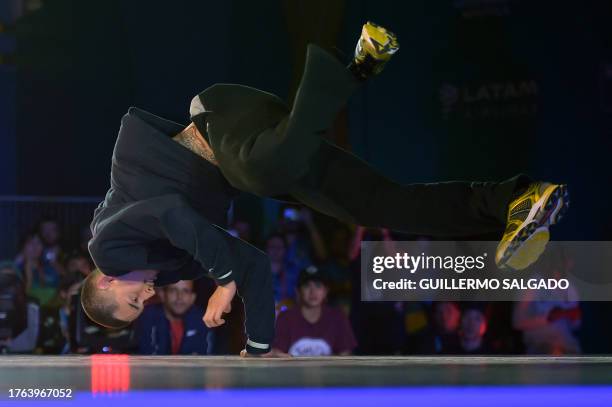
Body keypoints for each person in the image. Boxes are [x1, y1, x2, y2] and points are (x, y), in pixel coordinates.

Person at [82, 21, 567, 356]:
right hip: (265, 145)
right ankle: (514, 200)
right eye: (141, 306)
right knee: (381, 206)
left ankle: (347, 70)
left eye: (131, 300)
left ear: (106, 281)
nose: (147, 297)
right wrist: (257, 346)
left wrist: (222, 282)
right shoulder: (164, 268)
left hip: (217, 120)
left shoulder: (109, 247)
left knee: (260, 174)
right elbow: (252, 261)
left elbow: (171, 211)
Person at [272, 266, 357, 356]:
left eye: (318, 286)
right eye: (307, 286)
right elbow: (278, 353)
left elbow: (345, 355)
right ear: (298, 291)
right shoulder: (286, 317)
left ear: (325, 291)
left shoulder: (337, 317)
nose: (313, 291)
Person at [136, 280, 212, 355]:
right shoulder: (147, 316)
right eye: (173, 290)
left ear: (193, 297)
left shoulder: (202, 319)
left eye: (185, 291)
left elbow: (206, 356)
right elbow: (147, 354)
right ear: (162, 294)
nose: (179, 297)